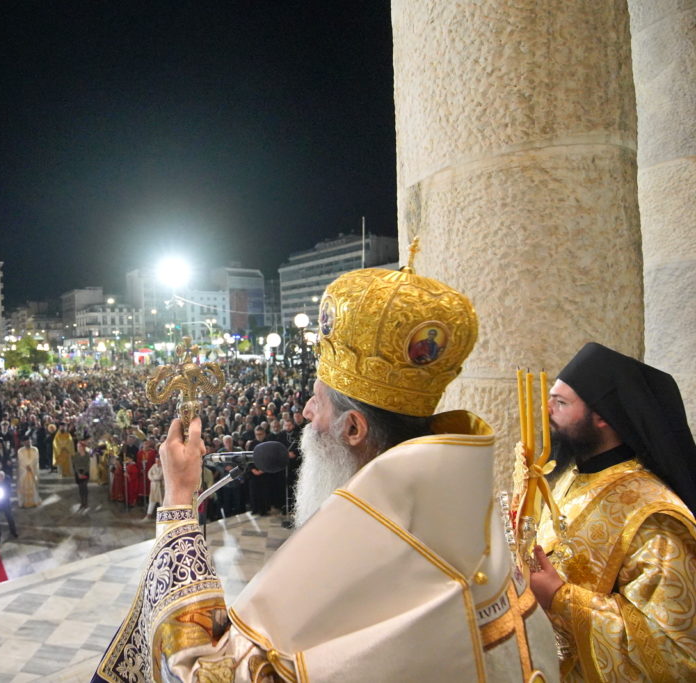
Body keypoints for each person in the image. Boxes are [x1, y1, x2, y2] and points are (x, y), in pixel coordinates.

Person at [95, 262, 558, 681]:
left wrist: (178, 500)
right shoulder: (472, 519)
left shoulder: (356, 549)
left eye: (318, 399)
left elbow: (209, 673)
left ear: (353, 428)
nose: (305, 411)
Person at [531, 342, 696, 681]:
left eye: (561, 403)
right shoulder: (569, 478)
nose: (548, 411)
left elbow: (675, 654)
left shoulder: (655, 515)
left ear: (603, 416)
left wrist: (561, 599)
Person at [17, 439, 40, 508]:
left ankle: (34, 501)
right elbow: (21, 460)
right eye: (26, 442)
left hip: (33, 470)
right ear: (23, 443)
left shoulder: (35, 449)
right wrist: (26, 466)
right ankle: (23, 502)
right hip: (24, 471)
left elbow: (36, 459)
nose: (28, 443)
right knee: (23, 485)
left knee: (33, 485)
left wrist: (30, 466)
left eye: (29, 442)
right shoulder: (20, 450)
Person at [72, 437, 91, 510]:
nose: (78, 448)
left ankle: (85, 502)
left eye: (80, 446)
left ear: (83, 447)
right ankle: (82, 502)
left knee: (84, 487)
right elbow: (75, 465)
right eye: (77, 447)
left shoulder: (87, 455)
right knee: (80, 488)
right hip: (78, 473)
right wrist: (78, 473)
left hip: (85, 472)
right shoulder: (75, 455)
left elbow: (87, 465)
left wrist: (83, 473)